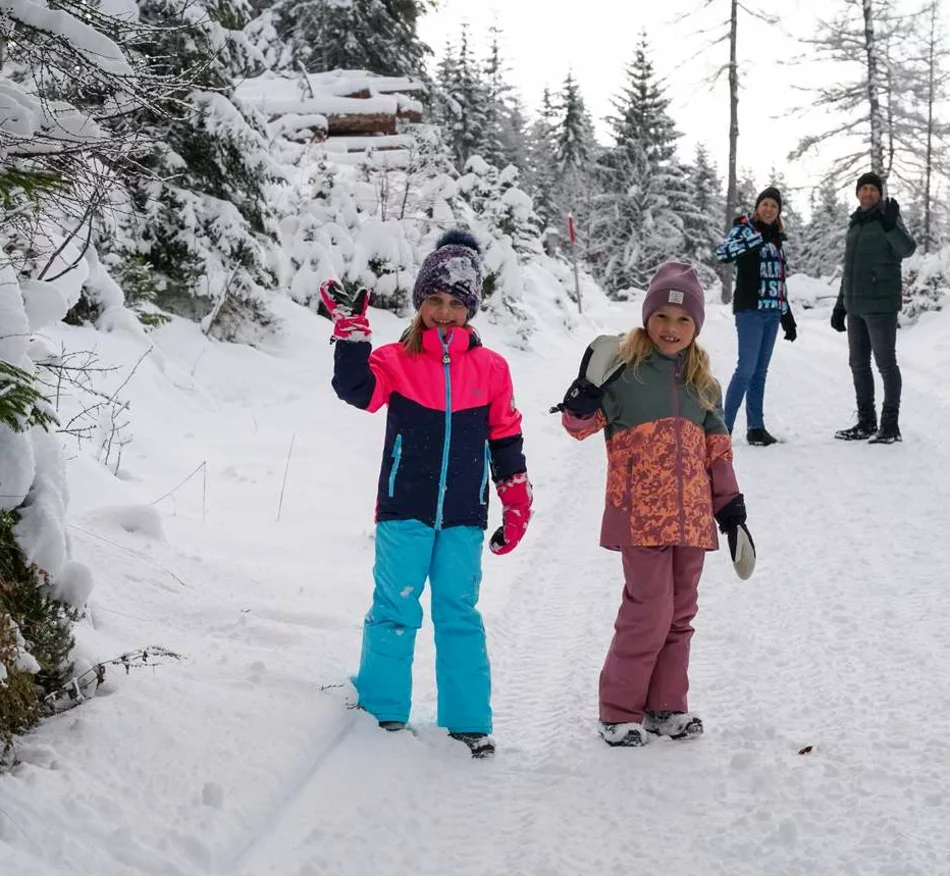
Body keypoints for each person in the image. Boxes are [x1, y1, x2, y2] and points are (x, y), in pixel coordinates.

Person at [319, 230, 533, 759]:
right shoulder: (395, 359)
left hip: (463, 515)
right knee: (395, 608)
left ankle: (467, 721)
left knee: (459, 612)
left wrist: (515, 498)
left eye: (456, 303)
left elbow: (505, 436)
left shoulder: (491, 370)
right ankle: (383, 711)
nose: (444, 311)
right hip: (403, 509)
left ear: (471, 310)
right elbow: (357, 393)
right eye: (434, 300)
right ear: (419, 303)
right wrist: (351, 338)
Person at [556, 262, 754, 748]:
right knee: (649, 610)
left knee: (680, 613)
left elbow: (718, 452)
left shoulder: (704, 385)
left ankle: (665, 706)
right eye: (662, 316)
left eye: (683, 320)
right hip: (639, 515)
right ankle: (618, 709)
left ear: (697, 327)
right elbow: (578, 428)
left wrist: (731, 512)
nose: (671, 328)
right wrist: (583, 395)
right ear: (647, 318)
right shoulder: (625, 375)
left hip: (692, 518)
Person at [831, 171, 916, 444]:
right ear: (857, 193)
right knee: (858, 364)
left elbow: (907, 249)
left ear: (879, 193)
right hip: (855, 305)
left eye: (872, 189)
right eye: (863, 188)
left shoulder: (887, 218)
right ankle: (866, 422)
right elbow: (850, 268)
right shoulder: (855, 223)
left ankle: (890, 425)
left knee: (886, 364)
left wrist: (891, 226)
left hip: (881, 305)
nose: (868, 193)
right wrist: (840, 305)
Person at [715, 186, 797, 446]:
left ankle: (756, 428)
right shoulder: (745, 228)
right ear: (757, 207)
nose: (769, 209)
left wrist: (787, 315)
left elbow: (778, 279)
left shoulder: (778, 237)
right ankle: (722, 428)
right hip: (750, 309)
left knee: (760, 372)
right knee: (746, 369)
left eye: (774, 205)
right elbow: (722, 253)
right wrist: (757, 238)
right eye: (765, 204)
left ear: (779, 211)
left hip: (772, 312)